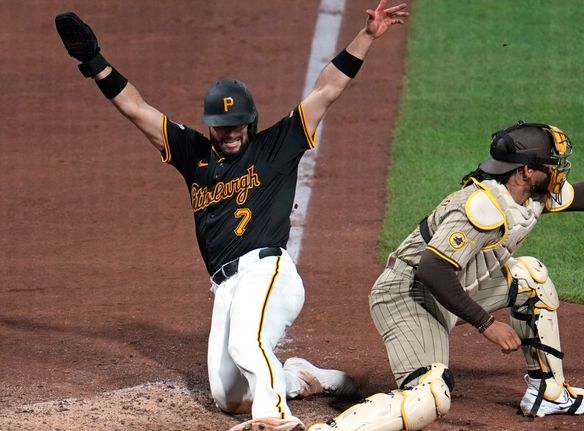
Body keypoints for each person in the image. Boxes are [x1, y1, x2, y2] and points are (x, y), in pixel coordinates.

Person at [54, 2, 408, 431]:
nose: (230, 132)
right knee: (228, 396)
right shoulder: (192, 154)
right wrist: (94, 63)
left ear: (250, 121)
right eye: (222, 125)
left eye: (237, 124)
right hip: (226, 286)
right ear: (209, 126)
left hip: (268, 273)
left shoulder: (277, 145)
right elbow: (136, 108)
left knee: (246, 344)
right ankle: (304, 377)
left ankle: (276, 417)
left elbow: (327, 89)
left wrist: (367, 36)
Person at [308, 121, 584, 430]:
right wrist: (486, 325)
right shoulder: (482, 208)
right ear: (524, 170)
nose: (558, 170)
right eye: (550, 164)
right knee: (430, 396)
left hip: (453, 285)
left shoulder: (530, 194)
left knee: (531, 275)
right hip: (408, 294)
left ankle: (548, 393)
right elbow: (432, 267)